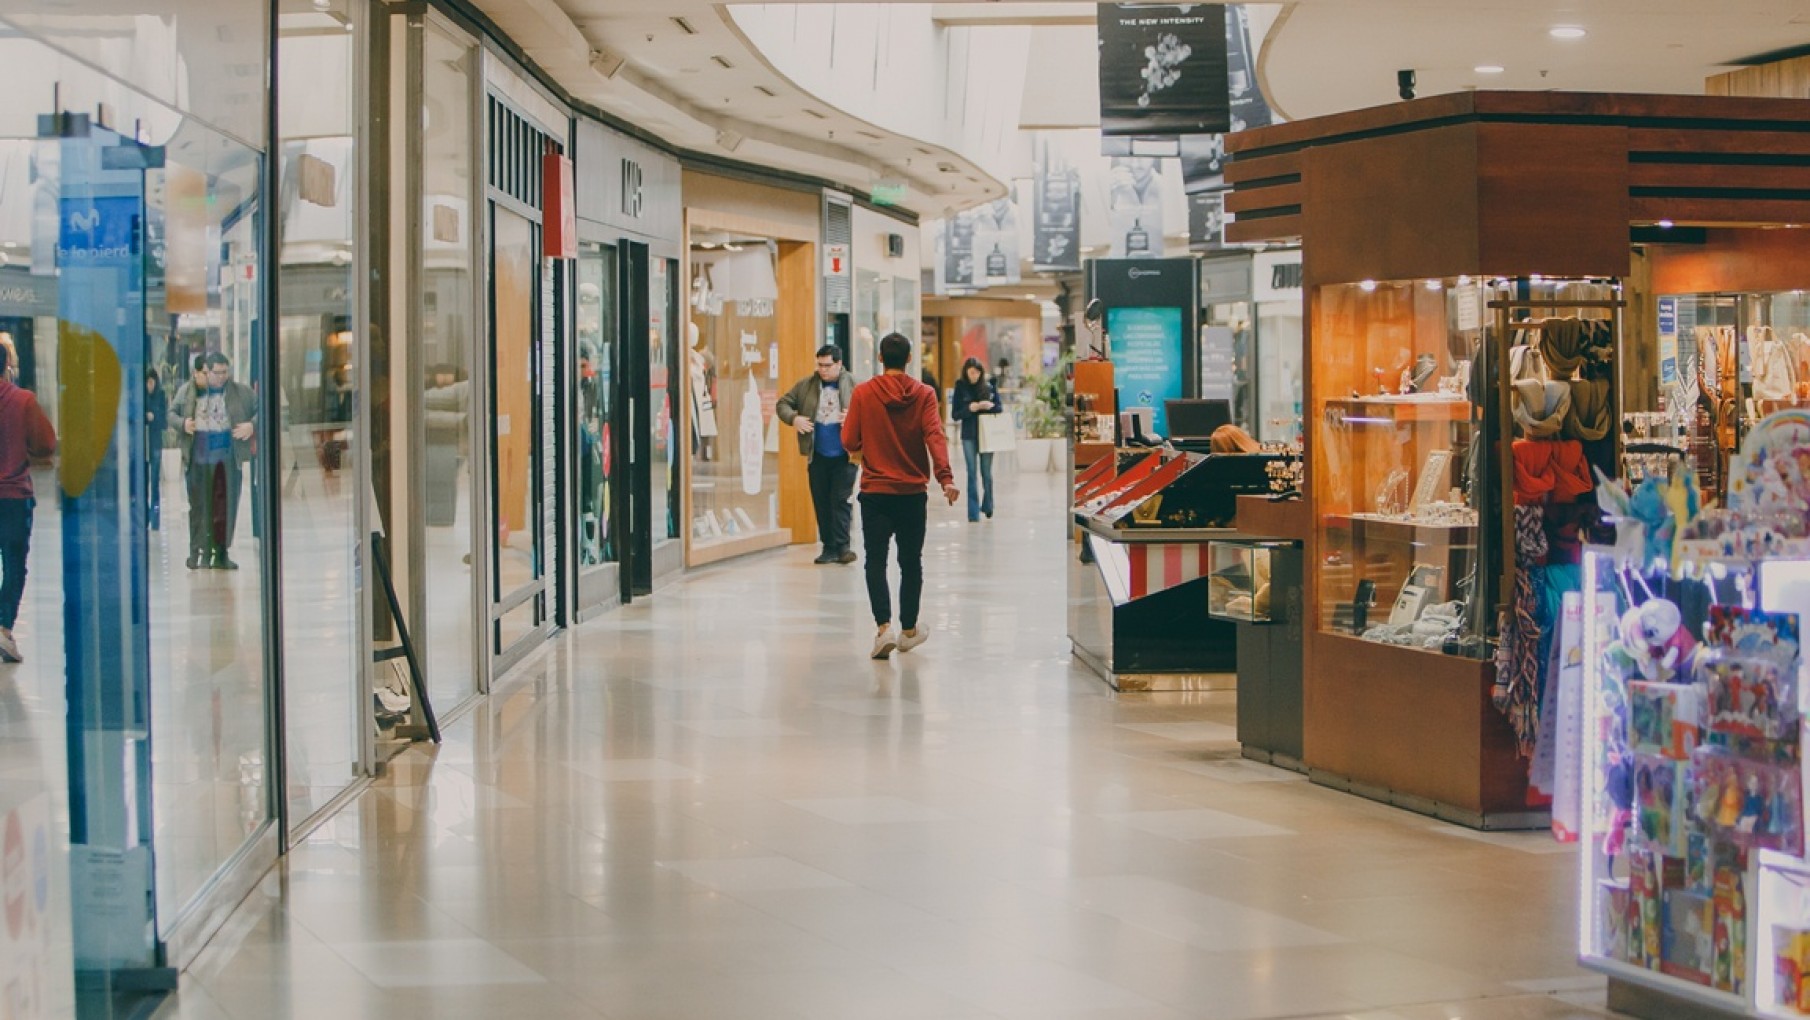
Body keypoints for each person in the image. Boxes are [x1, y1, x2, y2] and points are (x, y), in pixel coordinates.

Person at [842, 332, 957, 660]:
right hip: (911, 494)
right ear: (909, 359)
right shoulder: (924, 394)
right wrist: (946, 478)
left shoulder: (864, 393)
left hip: (875, 493)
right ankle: (908, 630)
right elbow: (934, 435)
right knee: (910, 562)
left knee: (875, 561)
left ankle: (884, 629)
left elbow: (849, 440)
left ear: (880, 358)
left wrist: (868, 440)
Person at [170, 352, 256, 570]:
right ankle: (196, 552)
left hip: (227, 461)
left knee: (224, 508)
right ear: (207, 372)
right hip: (198, 460)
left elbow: (262, 409)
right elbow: (171, 414)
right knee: (198, 508)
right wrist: (183, 424)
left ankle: (221, 553)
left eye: (225, 372)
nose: (221, 377)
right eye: (217, 372)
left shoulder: (240, 392)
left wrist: (251, 426)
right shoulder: (189, 391)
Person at [776, 345, 860, 565]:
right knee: (822, 501)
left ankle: (843, 547)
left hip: (845, 455)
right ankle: (829, 547)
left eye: (828, 365)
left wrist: (854, 417)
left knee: (840, 500)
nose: (823, 370)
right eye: (820, 365)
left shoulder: (855, 385)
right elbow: (783, 404)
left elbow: (873, 411)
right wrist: (794, 418)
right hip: (818, 455)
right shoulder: (807, 385)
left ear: (839, 364)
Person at [0, 341, 56, 663]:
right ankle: (3, 628)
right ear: (7, 367)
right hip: (13, 496)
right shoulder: (23, 401)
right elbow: (47, 443)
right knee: (14, 565)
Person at [950, 358, 1002, 523]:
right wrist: (969, 409)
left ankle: (988, 505)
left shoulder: (989, 385)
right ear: (966, 372)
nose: (974, 376)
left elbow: (999, 408)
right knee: (971, 473)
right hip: (969, 435)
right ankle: (973, 513)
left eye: (977, 372)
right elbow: (955, 414)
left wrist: (989, 406)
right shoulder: (961, 387)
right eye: (971, 372)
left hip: (987, 435)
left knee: (986, 472)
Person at [145, 369, 168, 529]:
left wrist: (154, 415)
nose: (149, 386)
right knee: (143, 482)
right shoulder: (141, 396)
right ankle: (145, 516)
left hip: (155, 443)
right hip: (144, 444)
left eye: (151, 382)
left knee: (154, 482)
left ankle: (155, 519)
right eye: (147, 382)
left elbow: (164, 421)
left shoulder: (160, 395)